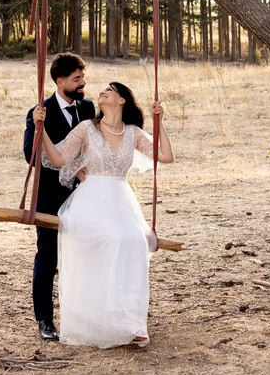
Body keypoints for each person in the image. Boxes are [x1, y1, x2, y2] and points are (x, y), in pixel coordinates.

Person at [34, 81, 174, 349]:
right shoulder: (87, 128)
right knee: (112, 239)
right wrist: (41, 131)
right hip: (90, 200)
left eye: (109, 90)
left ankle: (131, 322)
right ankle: (100, 318)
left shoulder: (132, 133)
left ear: (122, 100)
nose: (102, 92)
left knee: (134, 242)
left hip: (121, 201)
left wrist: (160, 122)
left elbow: (165, 156)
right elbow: (58, 159)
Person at [24, 53, 95, 342]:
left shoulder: (88, 108)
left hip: (87, 198)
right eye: (77, 79)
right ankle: (45, 320)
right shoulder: (40, 111)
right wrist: (37, 127)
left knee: (86, 257)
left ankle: (85, 317)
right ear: (60, 81)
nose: (83, 83)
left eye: (82, 78)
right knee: (48, 258)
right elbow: (31, 157)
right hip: (51, 199)